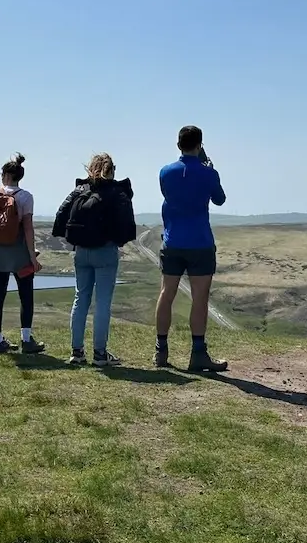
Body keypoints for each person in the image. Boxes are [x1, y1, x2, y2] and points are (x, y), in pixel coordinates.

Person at [52, 153, 138, 367]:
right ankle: (100, 354)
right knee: (102, 303)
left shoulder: (79, 190)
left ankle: (77, 352)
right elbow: (127, 226)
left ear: (90, 168)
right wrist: (119, 240)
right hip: (105, 251)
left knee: (80, 298)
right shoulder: (117, 192)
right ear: (112, 169)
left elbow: (60, 216)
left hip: (81, 251)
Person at [155, 125, 229, 372]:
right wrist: (208, 167)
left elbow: (169, 194)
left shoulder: (166, 172)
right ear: (200, 145)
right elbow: (219, 199)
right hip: (200, 242)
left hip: (173, 240)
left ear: (178, 145)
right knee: (200, 298)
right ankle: (198, 353)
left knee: (167, 293)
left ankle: (161, 350)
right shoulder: (209, 173)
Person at [0, 153, 44, 355]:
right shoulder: (26, 197)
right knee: (26, 296)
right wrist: (33, 257)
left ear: (5, 175)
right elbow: (28, 229)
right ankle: (26, 340)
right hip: (19, 255)